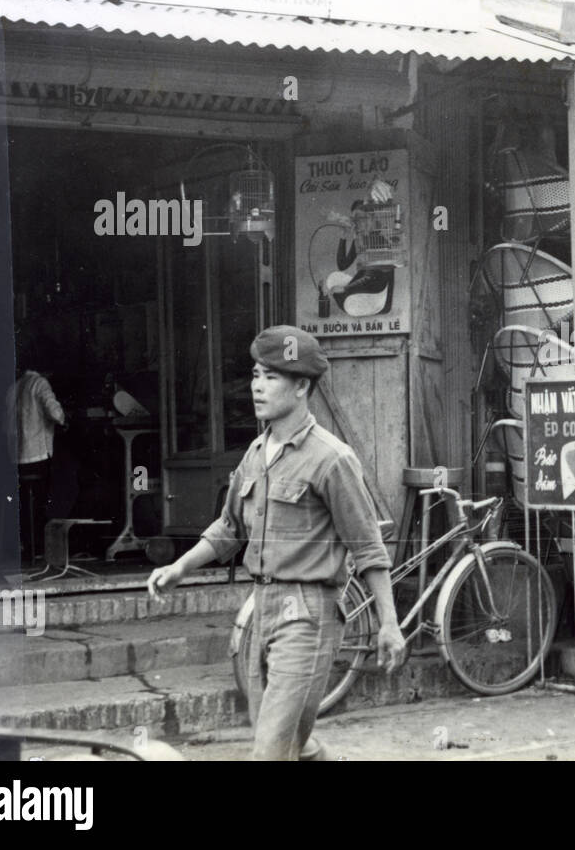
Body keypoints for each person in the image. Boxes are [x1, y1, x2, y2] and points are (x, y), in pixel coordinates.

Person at [147, 325, 405, 760]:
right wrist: (179, 568)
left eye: (271, 377)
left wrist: (389, 623)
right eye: (254, 375)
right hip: (260, 611)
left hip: (308, 615)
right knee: (291, 741)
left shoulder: (332, 458)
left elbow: (367, 547)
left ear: (302, 386)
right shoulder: (255, 453)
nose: (257, 387)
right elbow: (229, 527)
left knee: (270, 750)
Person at [6, 345, 67, 563]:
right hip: (37, 455)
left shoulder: (14, 387)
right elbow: (54, 412)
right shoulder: (39, 383)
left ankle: (26, 546)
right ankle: (39, 548)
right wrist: (63, 418)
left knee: (24, 503)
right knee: (41, 501)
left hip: (16, 457)